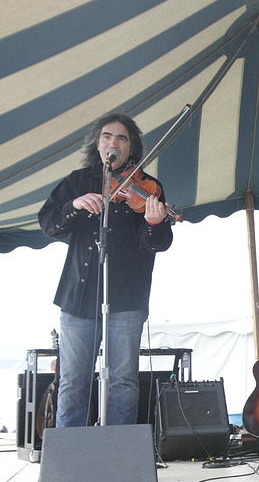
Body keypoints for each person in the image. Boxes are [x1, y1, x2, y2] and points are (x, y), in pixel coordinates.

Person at [38, 113, 173, 427]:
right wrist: (74, 205)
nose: (113, 143)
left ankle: (118, 460)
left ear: (131, 147)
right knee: (73, 381)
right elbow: (48, 223)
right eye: (107, 137)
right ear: (97, 143)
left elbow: (160, 242)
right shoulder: (78, 181)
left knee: (122, 382)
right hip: (78, 297)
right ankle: (70, 461)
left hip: (127, 298)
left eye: (122, 138)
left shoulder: (148, 186)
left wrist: (154, 223)